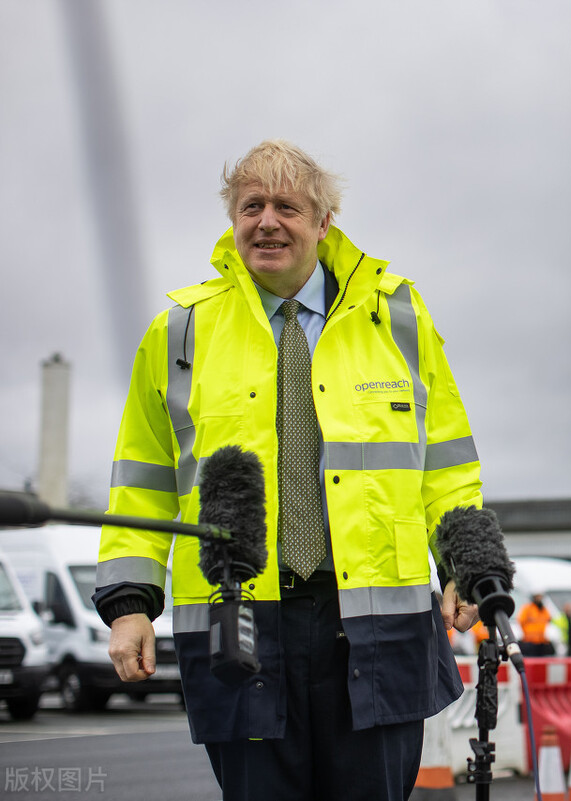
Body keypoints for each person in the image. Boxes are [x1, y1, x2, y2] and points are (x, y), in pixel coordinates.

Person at [91, 140, 484, 801]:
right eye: (251, 206)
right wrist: (129, 604)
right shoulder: (179, 334)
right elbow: (143, 480)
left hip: (375, 624)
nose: (266, 221)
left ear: (324, 222)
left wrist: (465, 564)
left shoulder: (399, 318)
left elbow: (447, 466)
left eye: (286, 206)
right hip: (238, 626)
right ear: (232, 219)